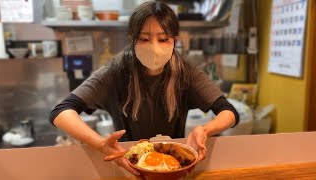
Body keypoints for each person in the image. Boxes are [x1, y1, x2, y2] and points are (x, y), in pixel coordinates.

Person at [49, 1, 239, 176]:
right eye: (144, 39)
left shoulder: (186, 72)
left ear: (173, 40)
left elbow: (228, 112)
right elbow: (61, 111)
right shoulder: (115, 72)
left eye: (163, 39)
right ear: (133, 40)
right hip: (127, 168)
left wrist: (204, 130)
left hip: (174, 168)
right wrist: (100, 144)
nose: (154, 47)